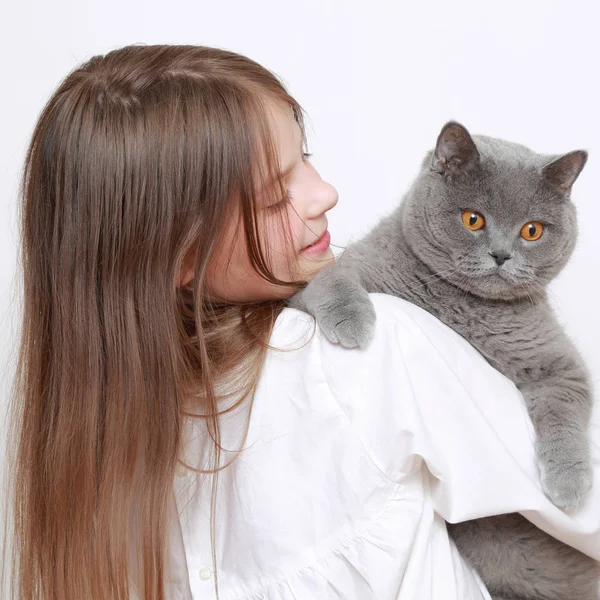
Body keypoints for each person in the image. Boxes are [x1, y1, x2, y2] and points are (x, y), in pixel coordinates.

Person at [2, 43, 598, 600]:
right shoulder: (376, 355)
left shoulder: (98, 434)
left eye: (304, 156)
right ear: (175, 255)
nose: (326, 193)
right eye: (273, 194)